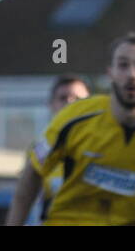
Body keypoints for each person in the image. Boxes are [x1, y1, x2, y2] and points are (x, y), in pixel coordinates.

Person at [4, 33, 135, 226]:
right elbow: (32, 171)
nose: (132, 74)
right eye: (123, 65)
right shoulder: (73, 117)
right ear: (111, 72)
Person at [24, 73, 91, 224]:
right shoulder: (39, 150)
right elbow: (27, 199)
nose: (70, 103)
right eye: (63, 98)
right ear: (51, 104)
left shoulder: (104, 146)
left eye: (78, 99)